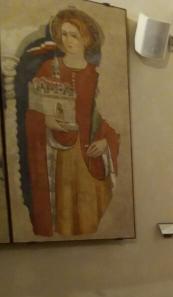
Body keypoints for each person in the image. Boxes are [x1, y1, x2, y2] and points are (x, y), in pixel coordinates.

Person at [25, 8, 119, 236]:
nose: (68, 40)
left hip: (91, 152)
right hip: (61, 153)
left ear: (86, 39)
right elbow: (34, 109)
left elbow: (109, 118)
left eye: (74, 35)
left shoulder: (97, 75)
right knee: (65, 209)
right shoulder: (48, 68)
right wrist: (47, 120)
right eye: (64, 34)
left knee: (92, 209)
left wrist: (106, 142)